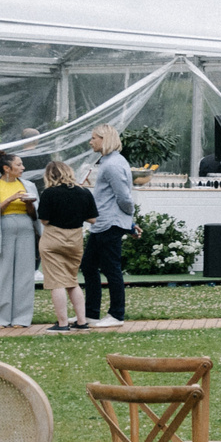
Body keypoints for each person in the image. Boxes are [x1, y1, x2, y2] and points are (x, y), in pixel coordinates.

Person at [82, 124, 134, 327]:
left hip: (110, 222)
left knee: (111, 268)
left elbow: (124, 197)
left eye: (94, 138)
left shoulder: (112, 165)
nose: (90, 141)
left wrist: (128, 217)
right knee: (88, 265)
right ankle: (91, 313)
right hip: (102, 222)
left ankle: (116, 314)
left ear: (105, 139)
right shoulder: (108, 162)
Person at [36, 158, 96, 331]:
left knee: (56, 282)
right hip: (75, 239)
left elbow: (44, 220)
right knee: (72, 281)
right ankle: (82, 321)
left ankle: (62, 323)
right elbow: (92, 219)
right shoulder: (84, 192)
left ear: (49, 175)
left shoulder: (49, 193)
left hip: (54, 238)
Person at [0, 153, 34, 330]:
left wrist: (29, 204)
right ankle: (2, 318)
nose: (23, 168)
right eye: (19, 165)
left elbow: (35, 215)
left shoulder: (28, 185)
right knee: (4, 272)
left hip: (26, 227)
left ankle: (22, 317)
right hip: (4, 226)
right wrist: (9, 200)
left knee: (24, 272)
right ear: (7, 168)